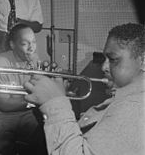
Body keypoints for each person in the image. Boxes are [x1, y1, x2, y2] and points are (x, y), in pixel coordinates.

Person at [24, 23, 145, 155]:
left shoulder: (135, 108)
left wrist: (55, 103)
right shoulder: (126, 99)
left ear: (143, 60)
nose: (104, 67)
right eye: (104, 59)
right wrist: (53, 95)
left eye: (113, 59)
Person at [0, 24, 47, 155]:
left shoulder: (34, 60)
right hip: (0, 114)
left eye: (34, 42)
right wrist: (34, 99)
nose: (32, 48)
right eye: (25, 43)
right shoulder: (0, 63)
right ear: (12, 45)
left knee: (42, 140)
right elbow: (4, 104)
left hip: (26, 111)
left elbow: (40, 87)